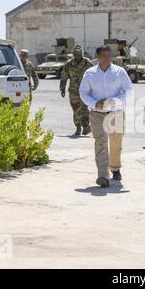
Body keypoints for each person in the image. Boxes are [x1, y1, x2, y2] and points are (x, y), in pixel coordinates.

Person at [80, 45, 133, 188]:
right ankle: (103, 176)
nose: (107, 58)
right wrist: (95, 103)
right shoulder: (90, 73)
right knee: (100, 143)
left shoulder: (119, 72)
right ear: (97, 57)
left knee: (116, 144)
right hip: (97, 114)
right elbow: (83, 93)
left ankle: (115, 168)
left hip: (116, 112)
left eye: (109, 55)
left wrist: (112, 102)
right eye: (104, 55)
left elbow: (128, 90)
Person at [60, 46, 94, 136]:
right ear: (73, 55)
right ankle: (78, 128)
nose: (78, 56)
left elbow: (95, 75)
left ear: (82, 54)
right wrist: (62, 88)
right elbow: (64, 77)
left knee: (85, 109)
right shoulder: (69, 64)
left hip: (86, 90)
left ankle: (86, 126)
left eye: (79, 54)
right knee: (76, 109)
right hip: (74, 91)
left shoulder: (88, 63)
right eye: (76, 54)